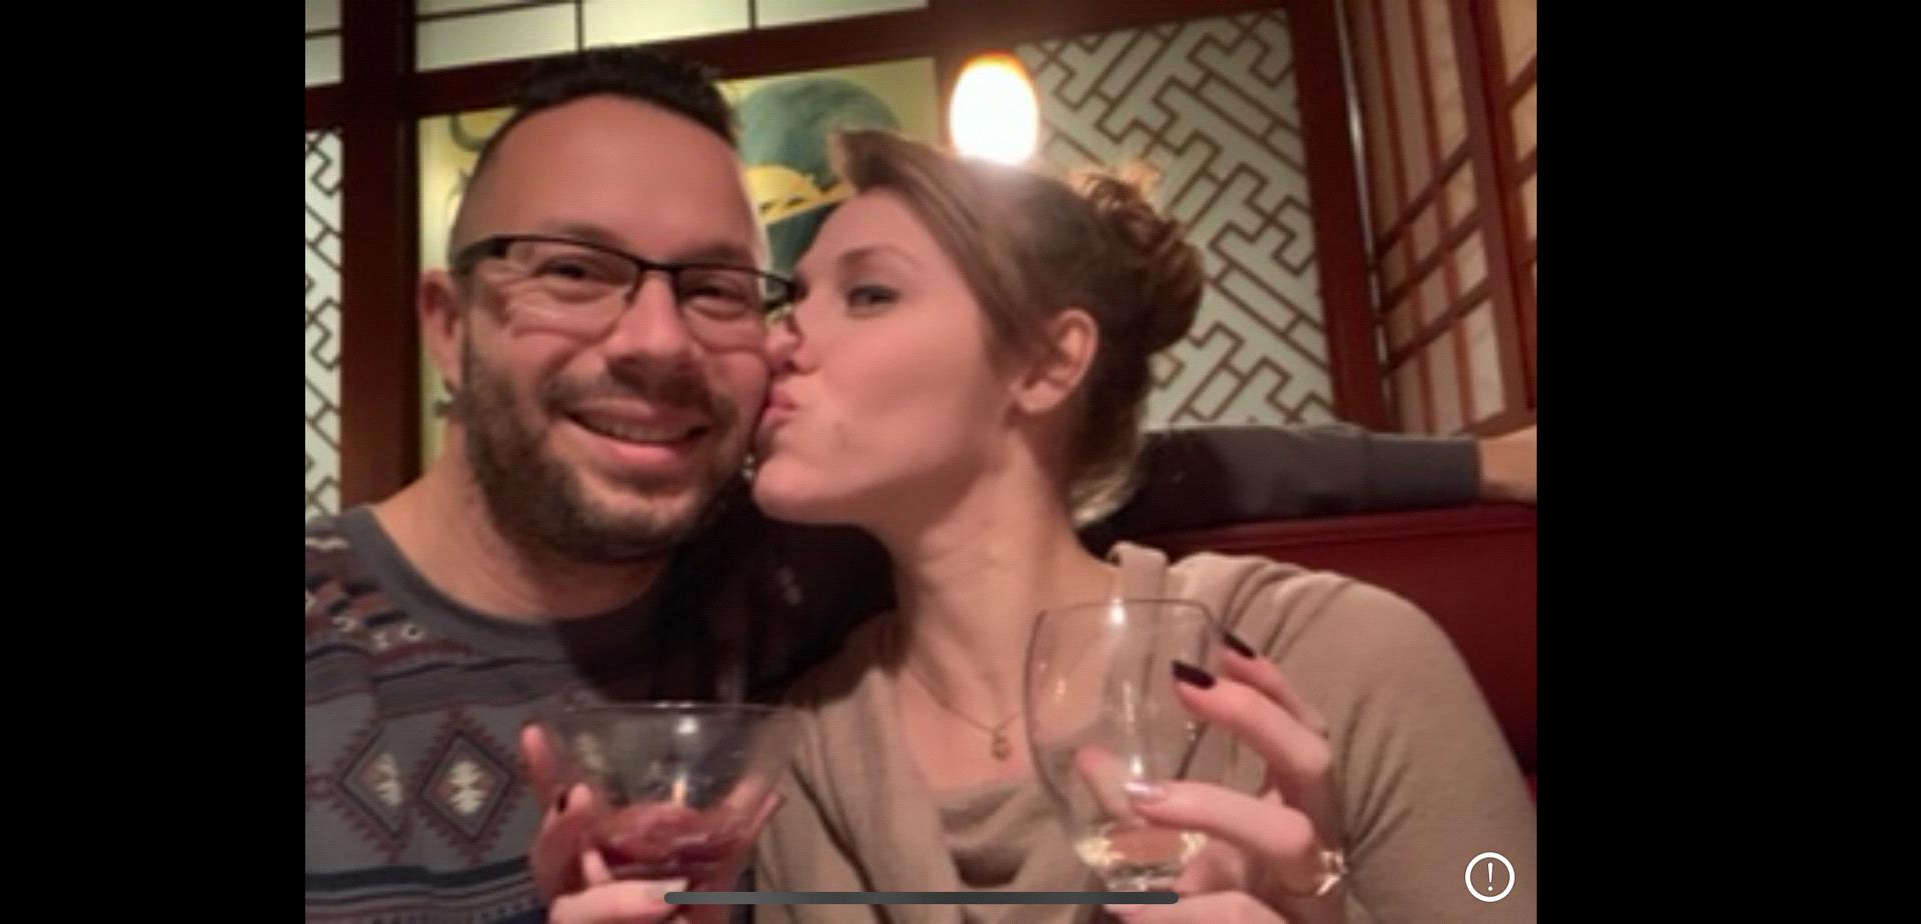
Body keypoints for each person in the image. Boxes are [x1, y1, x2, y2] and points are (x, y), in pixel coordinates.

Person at [306, 48, 1534, 924]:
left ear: (1047, 363)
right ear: (448, 323)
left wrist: (1477, 464)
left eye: (727, 290)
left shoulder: (1318, 656)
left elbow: (1178, 465)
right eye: (573, 270)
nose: (683, 343)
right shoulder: (798, 730)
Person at [719, 132, 1534, 922]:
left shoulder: (1333, 654)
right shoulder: (799, 752)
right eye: (791, 298)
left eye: (869, 294)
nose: (777, 341)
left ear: (1048, 363)